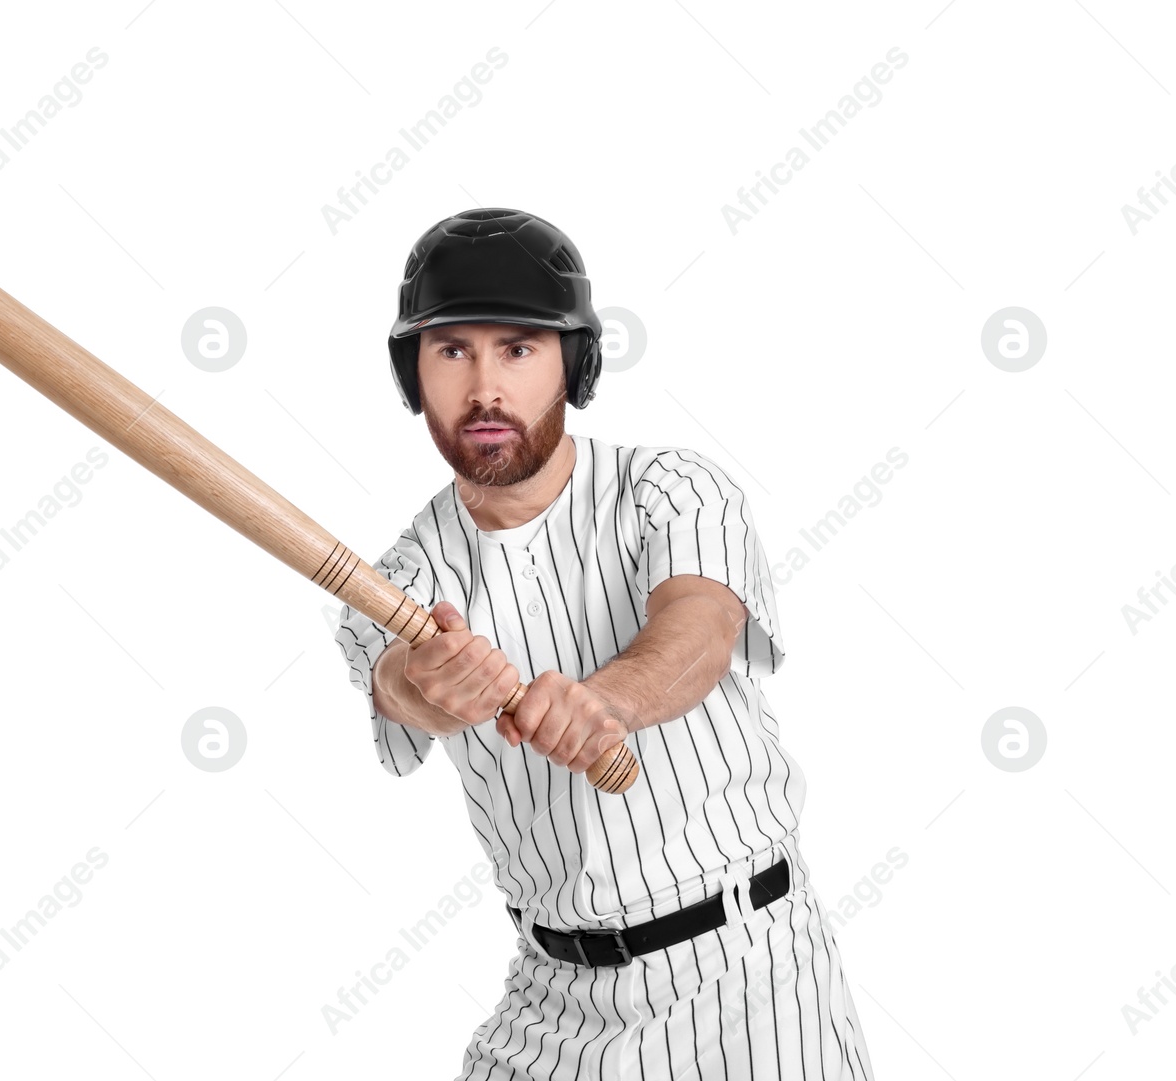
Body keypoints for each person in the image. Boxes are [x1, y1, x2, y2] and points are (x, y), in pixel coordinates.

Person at [333, 208, 875, 1080]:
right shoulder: (395, 578)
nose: (484, 388)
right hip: (552, 996)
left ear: (574, 362)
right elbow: (395, 686)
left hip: (749, 974)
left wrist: (607, 701)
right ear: (414, 375)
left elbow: (698, 624)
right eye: (451, 350)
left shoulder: (672, 487)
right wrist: (427, 682)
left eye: (517, 348)